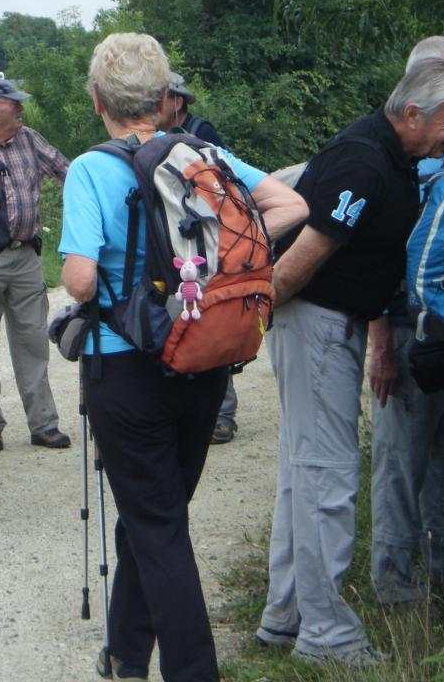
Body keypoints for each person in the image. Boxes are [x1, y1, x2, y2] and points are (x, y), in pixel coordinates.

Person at [60, 33, 307, 682]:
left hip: (126, 368)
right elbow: (292, 204)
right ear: (166, 100)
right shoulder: (203, 155)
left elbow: (82, 282)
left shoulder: (92, 169)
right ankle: (126, 658)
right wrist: (211, 256)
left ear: (97, 101)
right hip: (202, 360)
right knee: (155, 516)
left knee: (157, 526)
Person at [257, 58, 444, 668]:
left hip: (331, 322)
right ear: (412, 115)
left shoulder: (390, 154)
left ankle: (286, 613)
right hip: (318, 323)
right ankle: (327, 635)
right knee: (327, 473)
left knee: (305, 468)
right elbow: (303, 257)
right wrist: (246, 322)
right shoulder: (365, 161)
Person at [369, 36, 444, 606]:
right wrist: (381, 344)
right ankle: (393, 586)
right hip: (406, 332)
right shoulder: (387, 160)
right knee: (399, 464)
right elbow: (376, 261)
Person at [0, 77, 72, 451]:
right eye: (15, 103)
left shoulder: (29, 138)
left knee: (32, 341)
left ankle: (43, 424)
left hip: (26, 255)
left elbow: (67, 171)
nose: (21, 109)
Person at [156, 72, 243, 446]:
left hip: (207, 243)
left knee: (211, 320)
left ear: (177, 101)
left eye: (161, 98)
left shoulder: (201, 133)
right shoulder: (162, 136)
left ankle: (222, 414)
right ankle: (192, 407)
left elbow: (226, 183)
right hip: (181, 246)